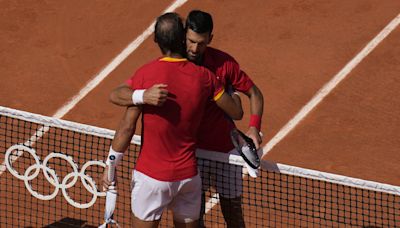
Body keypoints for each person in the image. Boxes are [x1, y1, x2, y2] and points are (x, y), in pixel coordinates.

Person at [109, 10, 264, 228]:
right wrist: (143, 95)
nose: (194, 48)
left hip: (223, 153)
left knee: (233, 214)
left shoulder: (223, 65)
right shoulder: (189, 73)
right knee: (196, 217)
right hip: (194, 156)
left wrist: (254, 127)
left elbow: (252, 96)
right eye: (190, 41)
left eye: (201, 43)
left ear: (210, 39)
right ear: (183, 37)